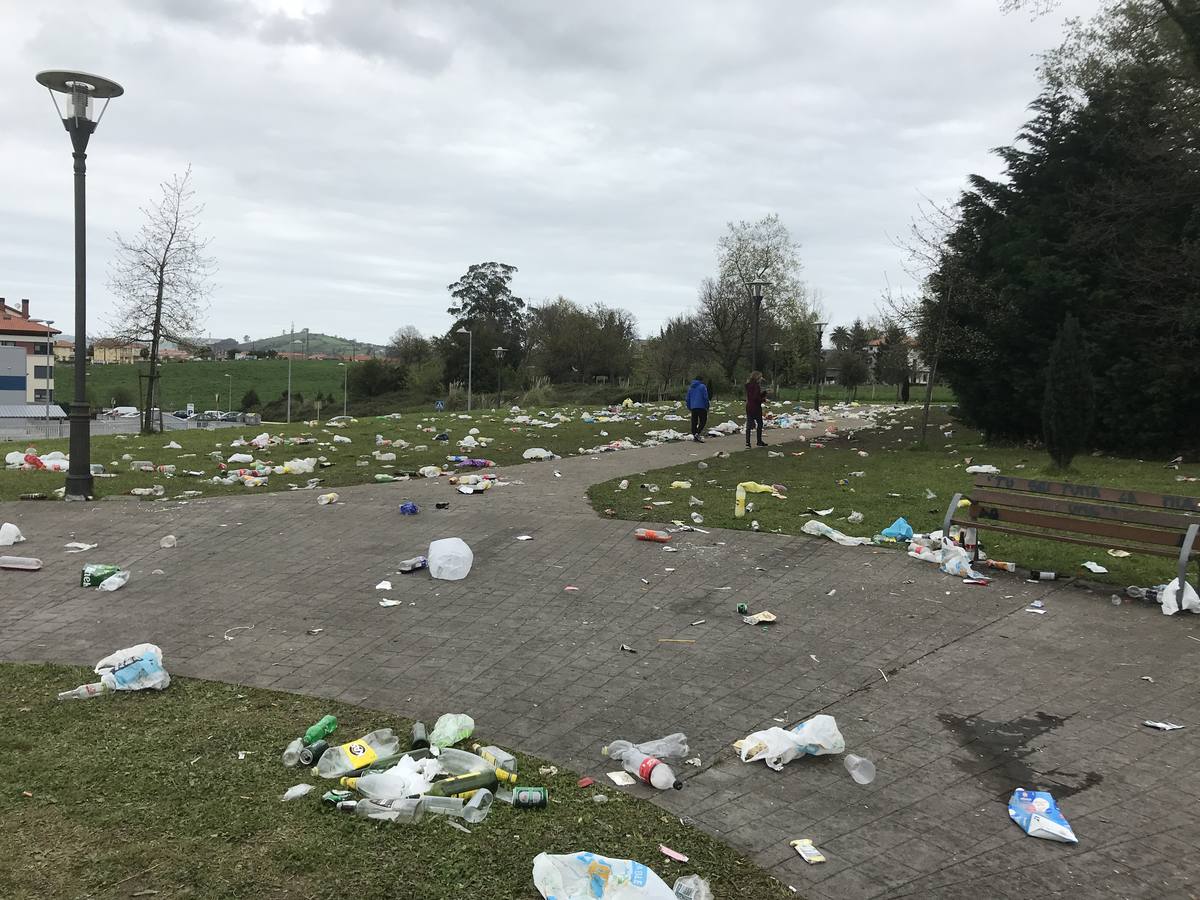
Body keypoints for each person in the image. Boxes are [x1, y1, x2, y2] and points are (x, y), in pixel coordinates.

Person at [745, 371, 768, 447]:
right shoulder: (756, 386)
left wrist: (763, 394)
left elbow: (752, 396)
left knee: (748, 425)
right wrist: (763, 399)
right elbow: (756, 397)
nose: (761, 379)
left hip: (749, 406)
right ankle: (759, 441)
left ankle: (747, 442)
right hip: (756, 407)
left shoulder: (748, 385)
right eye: (760, 377)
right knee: (760, 424)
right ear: (757, 377)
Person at [686, 374, 710, 442]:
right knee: (703, 420)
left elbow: (688, 398)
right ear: (701, 380)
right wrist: (707, 406)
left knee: (694, 421)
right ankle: (697, 433)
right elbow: (705, 397)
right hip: (701, 406)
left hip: (693, 407)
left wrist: (689, 407)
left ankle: (695, 435)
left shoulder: (690, 387)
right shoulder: (702, 386)